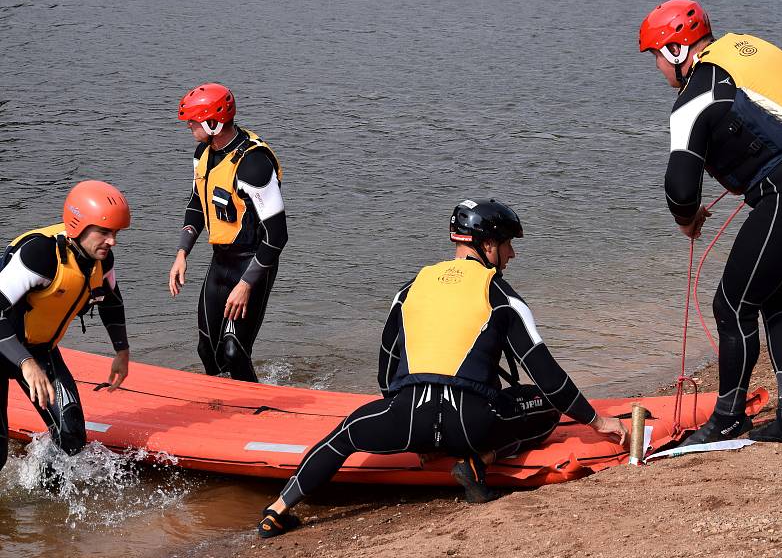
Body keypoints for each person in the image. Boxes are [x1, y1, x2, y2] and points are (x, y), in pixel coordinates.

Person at [256, 199, 628, 539]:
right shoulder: (501, 295)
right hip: (473, 424)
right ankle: (478, 460)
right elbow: (547, 375)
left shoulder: (410, 288)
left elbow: (386, 371)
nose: (512, 254)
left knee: (345, 434)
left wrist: (410, 425)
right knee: (544, 407)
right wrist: (598, 422)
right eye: (508, 244)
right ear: (487, 245)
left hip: (407, 421)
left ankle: (276, 511)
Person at [639, 0, 782, 446]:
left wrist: (687, 220)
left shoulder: (694, 96)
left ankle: (728, 417)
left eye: (656, 55)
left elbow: (680, 188)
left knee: (731, 306)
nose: (657, 66)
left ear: (676, 50)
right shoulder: (748, 47)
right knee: (776, 298)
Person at [0, 181, 131, 471]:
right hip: (5, 344)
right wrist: (25, 363)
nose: (112, 242)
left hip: (39, 349)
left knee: (71, 438)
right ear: (78, 225)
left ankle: (49, 509)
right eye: (105, 232)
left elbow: (111, 301)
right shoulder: (41, 254)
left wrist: (122, 351)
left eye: (116, 233)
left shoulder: (101, 260)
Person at [169, 83, 288, 382]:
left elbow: (278, 235)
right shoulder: (203, 154)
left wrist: (247, 283)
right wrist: (182, 252)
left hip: (254, 262)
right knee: (207, 350)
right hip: (221, 261)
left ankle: (258, 411)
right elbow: (198, 203)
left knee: (233, 350)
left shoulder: (253, 165)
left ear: (213, 122)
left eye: (194, 121)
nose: (189, 126)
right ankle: (224, 410)